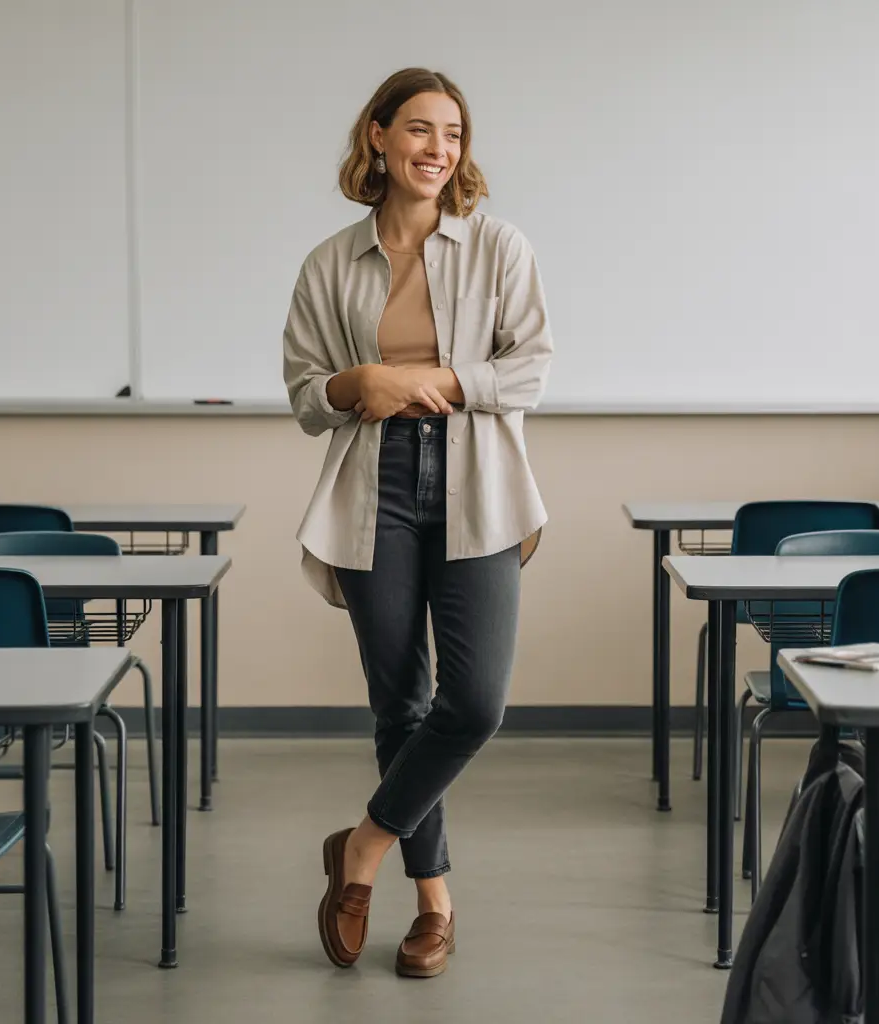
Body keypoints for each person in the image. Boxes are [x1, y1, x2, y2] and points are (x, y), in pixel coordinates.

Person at [282, 67, 553, 978]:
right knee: (401, 702)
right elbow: (307, 393)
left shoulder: (498, 247)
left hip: (477, 478)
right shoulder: (329, 263)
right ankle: (434, 904)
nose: (439, 149)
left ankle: (359, 850)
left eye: (454, 134)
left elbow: (531, 368)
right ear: (378, 139)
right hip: (375, 484)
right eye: (420, 130)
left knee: (472, 702)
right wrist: (360, 385)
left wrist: (436, 385)